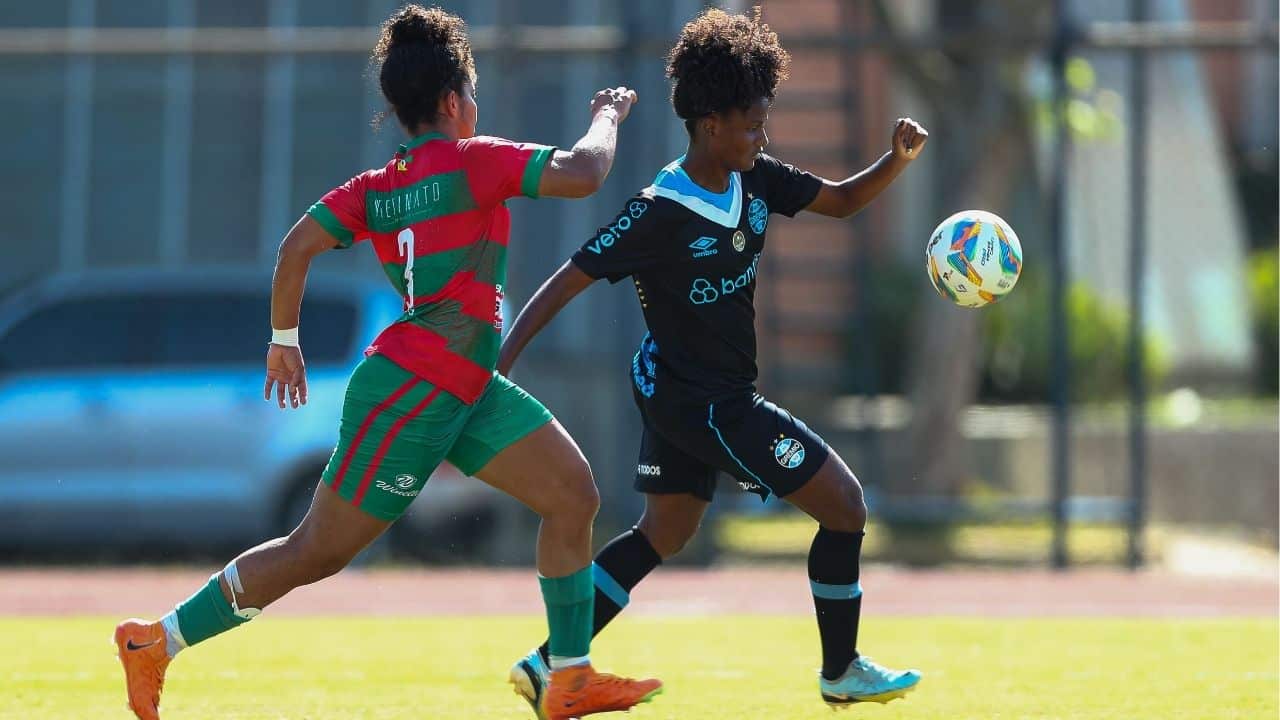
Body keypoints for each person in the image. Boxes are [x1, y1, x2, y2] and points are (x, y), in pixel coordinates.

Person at [113, 6, 662, 720]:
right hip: (412, 390)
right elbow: (585, 171)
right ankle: (155, 643)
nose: (477, 105)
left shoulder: (375, 187)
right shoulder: (475, 159)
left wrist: (285, 338)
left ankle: (569, 675)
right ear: (450, 101)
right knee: (315, 551)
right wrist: (608, 114)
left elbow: (295, 247)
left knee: (573, 495)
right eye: (472, 91)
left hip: (463, 386)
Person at [502, 6, 927, 713]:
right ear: (710, 124)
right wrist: (502, 367)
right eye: (754, 124)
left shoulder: (754, 176)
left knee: (663, 530)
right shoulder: (659, 211)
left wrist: (897, 159)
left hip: (681, 391)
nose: (763, 137)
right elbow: (564, 282)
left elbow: (845, 201)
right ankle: (841, 668)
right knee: (846, 507)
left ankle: (549, 662)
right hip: (712, 405)